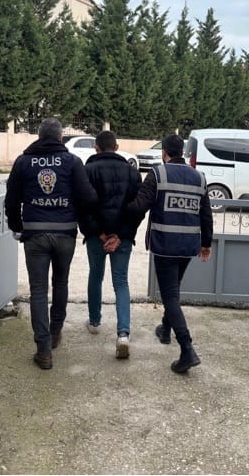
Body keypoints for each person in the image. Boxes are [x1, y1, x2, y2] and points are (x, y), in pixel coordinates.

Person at [4, 118, 98, 370]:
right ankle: (55, 332)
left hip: (34, 234)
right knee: (60, 283)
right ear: (60, 138)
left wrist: (17, 226)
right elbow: (89, 198)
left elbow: (11, 200)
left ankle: (43, 350)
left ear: (38, 137)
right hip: (65, 233)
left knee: (38, 291)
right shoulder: (72, 162)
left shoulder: (23, 162)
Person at [127, 134, 213, 373]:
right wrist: (206, 244)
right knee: (173, 290)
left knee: (170, 296)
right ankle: (165, 329)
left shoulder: (158, 174)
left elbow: (140, 206)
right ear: (182, 152)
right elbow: (206, 214)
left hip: (165, 245)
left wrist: (118, 213)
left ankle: (187, 349)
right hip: (188, 247)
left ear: (164, 152)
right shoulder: (199, 177)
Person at [78, 130, 144, 359]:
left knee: (96, 275)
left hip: (96, 237)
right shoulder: (132, 173)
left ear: (96, 147)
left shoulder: (87, 171)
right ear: (116, 147)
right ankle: (123, 334)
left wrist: (100, 234)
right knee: (121, 281)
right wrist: (120, 235)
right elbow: (137, 209)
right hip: (122, 239)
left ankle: (94, 322)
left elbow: (83, 208)